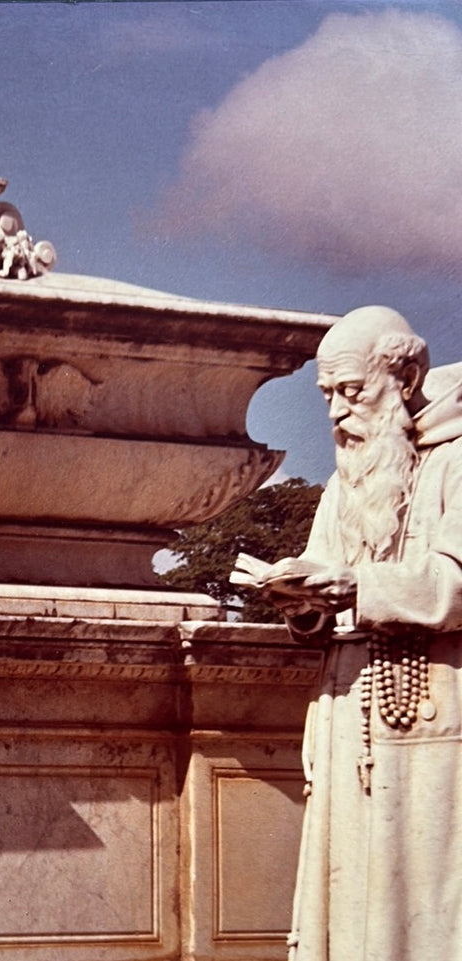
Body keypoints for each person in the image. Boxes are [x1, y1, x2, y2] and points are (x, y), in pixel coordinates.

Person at [261, 305, 462, 961]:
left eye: (352, 390)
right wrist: (303, 604)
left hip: (434, 719)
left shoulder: (456, 461)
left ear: (404, 376)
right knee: (349, 909)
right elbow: (326, 580)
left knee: (426, 904)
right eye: (327, 395)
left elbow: (455, 582)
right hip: (347, 715)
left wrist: (360, 587)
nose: (336, 413)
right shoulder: (344, 481)